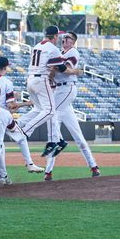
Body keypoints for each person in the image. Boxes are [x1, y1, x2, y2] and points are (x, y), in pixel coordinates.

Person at [44, 31, 100, 180]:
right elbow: (56, 69)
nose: (64, 39)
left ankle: (59, 145)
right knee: (78, 137)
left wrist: (55, 67)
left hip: (67, 88)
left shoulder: (73, 51)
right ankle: (93, 166)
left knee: (50, 114)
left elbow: (65, 70)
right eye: (64, 37)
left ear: (73, 41)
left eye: (68, 38)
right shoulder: (60, 52)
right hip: (59, 91)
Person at [19, 25, 80, 157]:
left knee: (42, 110)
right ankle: (26, 131)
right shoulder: (53, 49)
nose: (60, 38)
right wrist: (75, 71)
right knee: (50, 111)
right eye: (59, 36)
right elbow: (62, 69)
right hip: (41, 80)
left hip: (30, 80)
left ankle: (55, 140)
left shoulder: (37, 46)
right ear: (55, 36)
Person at [0, 56, 44, 188]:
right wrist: (26, 103)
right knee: (21, 138)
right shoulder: (6, 82)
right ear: (5, 68)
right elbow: (11, 106)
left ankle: (1, 177)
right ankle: (29, 163)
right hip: (2, 116)